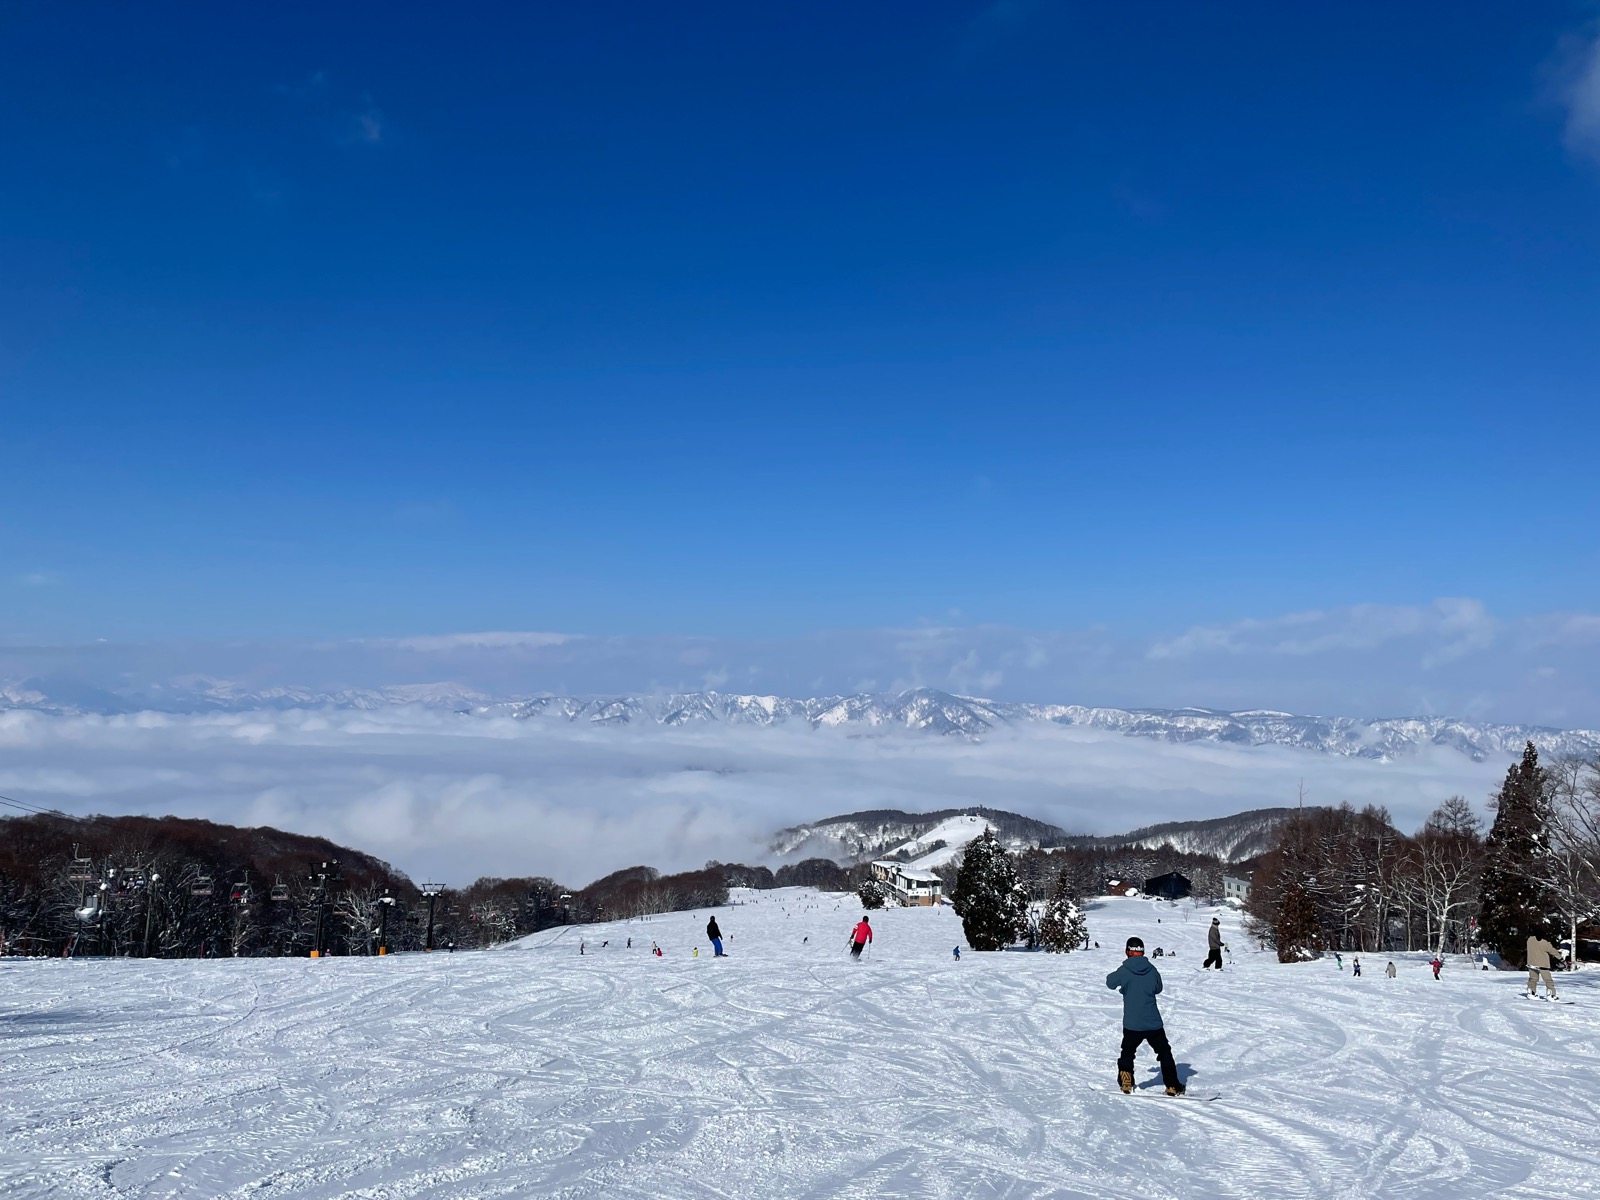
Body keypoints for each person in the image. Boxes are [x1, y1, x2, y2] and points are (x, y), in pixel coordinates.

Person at [1105, 936, 1183, 1096]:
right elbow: (1158, 988)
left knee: (1127, 1052)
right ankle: (1172, 1085)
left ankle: (1126, 1081)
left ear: (1128, 951)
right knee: (1164, 1053)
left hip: (1132, 1023)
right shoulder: (1152, 969)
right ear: (1143, 952)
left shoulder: (1124, 970)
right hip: (1153, 1022)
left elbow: (1110, 982)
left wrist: (1125, 986)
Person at [1526, 933, 1563, 999]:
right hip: (1542, 965)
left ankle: (1531, 992)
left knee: (1533, 979)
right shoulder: (1544, 943)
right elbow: (1552, 951)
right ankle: (1551, 995)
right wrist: (1560, 958)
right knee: (1548, 980)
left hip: (1531, 964)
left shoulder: (1530, 940)